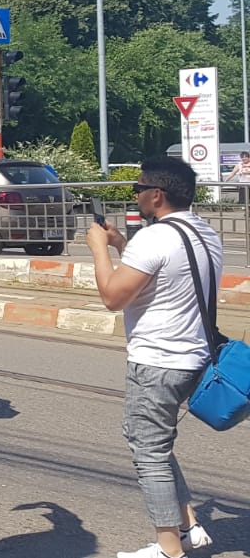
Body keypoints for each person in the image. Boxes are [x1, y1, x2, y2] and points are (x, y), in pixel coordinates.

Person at [88, 157, 222, 558]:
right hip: (194, 357)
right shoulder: (203, 232)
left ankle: (169, 549)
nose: (136, 196)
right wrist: (120, 244)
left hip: (158, 361)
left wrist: (99, 250)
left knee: (148, 450)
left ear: (157, 194)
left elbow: (113, 296)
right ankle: (189, 526)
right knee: (158, 444)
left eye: (139, 188)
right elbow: (163, 273)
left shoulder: (155, 238)